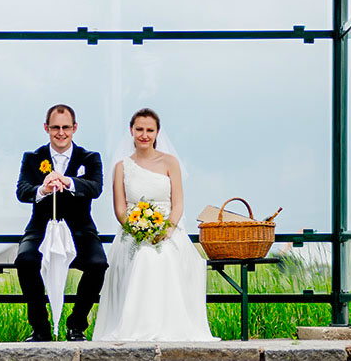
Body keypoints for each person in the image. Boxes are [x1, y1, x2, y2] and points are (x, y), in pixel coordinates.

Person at [92, 108, 219, 342]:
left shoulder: (170, 162)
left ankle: (167, 327)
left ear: (157, 132)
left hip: (168, 230)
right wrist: (137, 229)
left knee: (162, 257)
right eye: (139, 129)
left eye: (149, 130)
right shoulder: (121, 166)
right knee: (143, 256)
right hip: (132, 232)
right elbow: (120, 209)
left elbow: (178, 204)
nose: (144, 135)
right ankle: (135, 327)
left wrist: (167, 229)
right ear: (131, 130)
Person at [15, 104, 108, 342]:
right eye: (55, 127)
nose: (61, 132)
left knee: (98, 264)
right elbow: (22, 191)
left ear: (75, 128)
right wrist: (44, 189)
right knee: (25, 260)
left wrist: (68, 181)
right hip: (40, 228)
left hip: (80, 229)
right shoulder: (32, 158)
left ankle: (76, 326)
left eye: (66, 127)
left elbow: (95, 188)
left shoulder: (90, 158)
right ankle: (40, 327)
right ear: (46, 128)